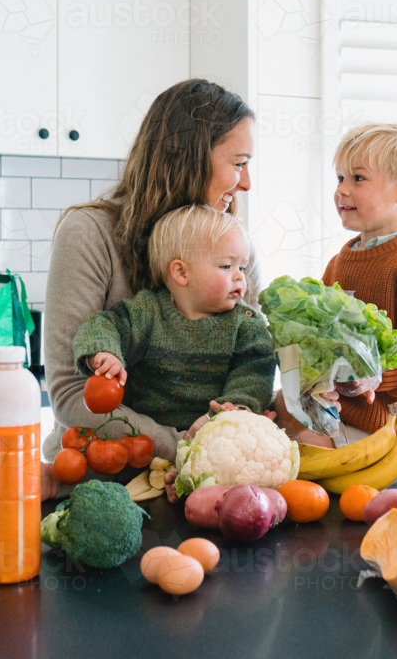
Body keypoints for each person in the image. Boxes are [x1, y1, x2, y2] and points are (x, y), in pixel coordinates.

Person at [42, 79, 263, 499]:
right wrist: (181, 445)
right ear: (190, 157)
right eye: (239, 163)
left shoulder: (234, 248)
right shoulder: (90, 234)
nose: (246, 182)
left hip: (203, 486)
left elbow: (253, 354)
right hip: (95, 484)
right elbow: (72, 393)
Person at [274, 123, 397, 448]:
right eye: (340, 178)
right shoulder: (340, 261)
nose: (341, 190)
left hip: (386, 423)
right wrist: (313, 376)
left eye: (357, 178)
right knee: (276, 406)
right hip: (339, 408)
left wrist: (379, 373)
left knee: (293, 452)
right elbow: (319, 337)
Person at [72, 205, 275, 439]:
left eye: (242, 267)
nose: (240, 276)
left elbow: (255, 372)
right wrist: (105, 353)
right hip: (148, 444)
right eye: (225, 266)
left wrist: (235, 407)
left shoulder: (247, 324)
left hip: (217, 437)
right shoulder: (148, 312)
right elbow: (103, 324)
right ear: (181, 273)